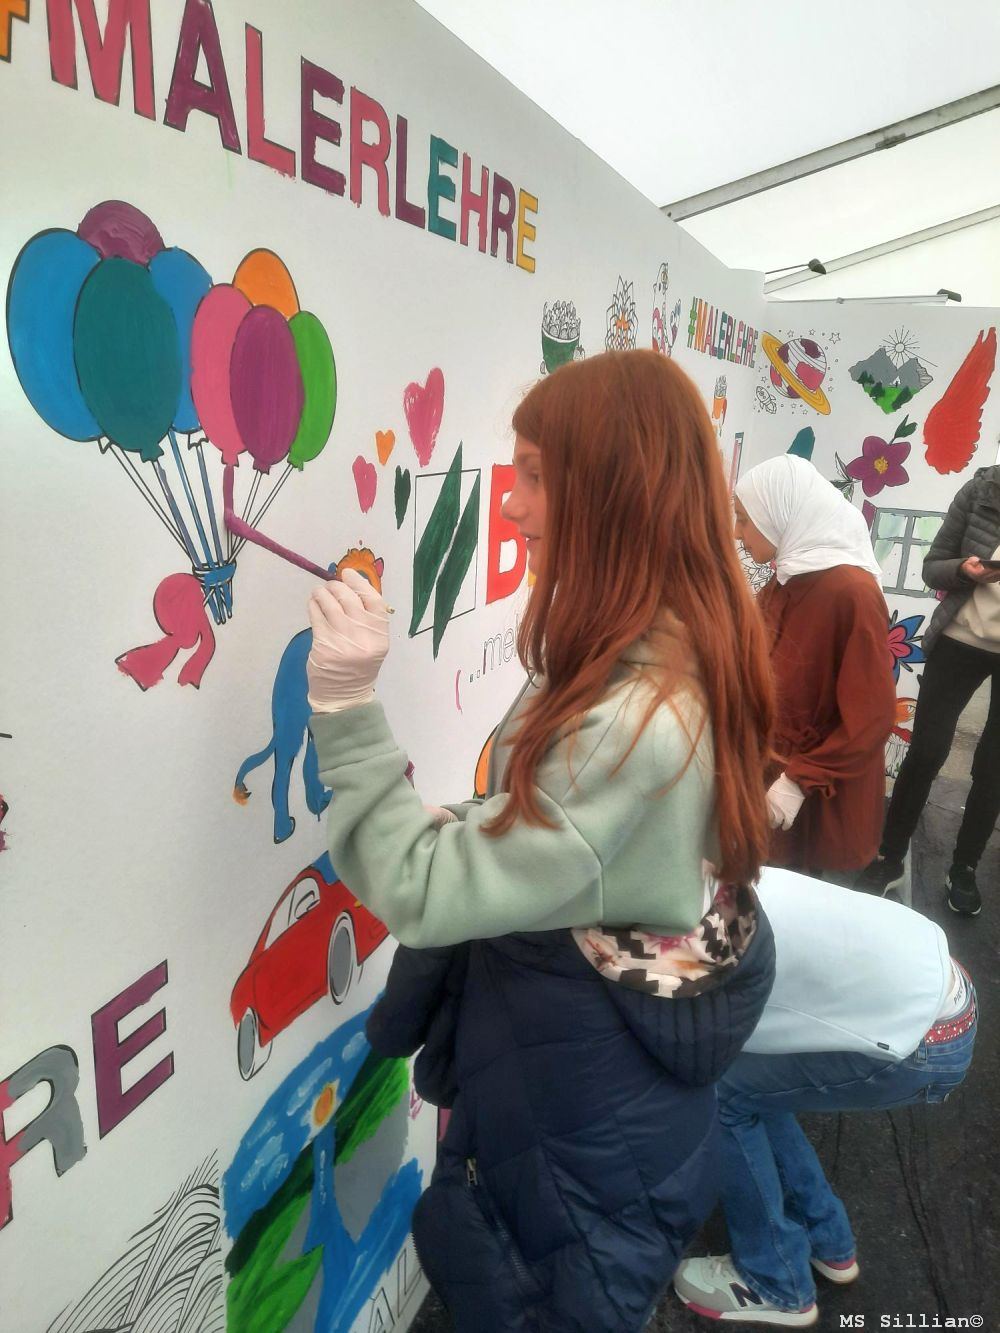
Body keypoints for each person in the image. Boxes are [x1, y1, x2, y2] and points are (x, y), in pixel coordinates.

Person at [305, 350, 777, 1331]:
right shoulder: (672, 640)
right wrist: (478, 823)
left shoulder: (630, 719)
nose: (511, 505)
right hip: (601, 1104)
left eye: (532, 475)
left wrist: (346, 707)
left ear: (612, 492)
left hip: (574, 1139)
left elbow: (424, 888)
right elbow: (556, 835)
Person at [673, 867, 977, 1328]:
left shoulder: (697, 931)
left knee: (721, 1095)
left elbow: (689, 1036)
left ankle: (774, 1281)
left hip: (923, 1039)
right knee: (749, 1087)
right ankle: (826, 1238)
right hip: (939, 993)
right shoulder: (723, 870)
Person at [733, 456, 896, 876]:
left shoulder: (851, 593)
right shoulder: (787, 577)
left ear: (778, 515)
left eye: (744, 520)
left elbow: (871, 717)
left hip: (818, 787)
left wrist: (799, 780)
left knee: (804, 889)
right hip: (773, 770)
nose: (737, 533)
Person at [857, 464, 1000, 916]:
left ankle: (964, 867)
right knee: (926, 752)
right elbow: (933, 568)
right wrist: (964, 570)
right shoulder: (982, 491)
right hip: (959, 641)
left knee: (994, 767)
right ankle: (889, 855)